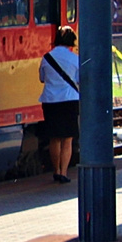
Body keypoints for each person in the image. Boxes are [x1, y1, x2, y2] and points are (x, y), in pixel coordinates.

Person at [39, 25, 79, 183]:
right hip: (69, 100)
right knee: (67, 139)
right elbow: (79, 79)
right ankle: (64, 172)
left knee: (54, 138)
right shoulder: (74, 59)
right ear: (71, 42)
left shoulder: (46, 58)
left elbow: (42, 78)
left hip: (50, 101)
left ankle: (55, 170)